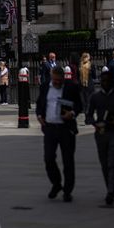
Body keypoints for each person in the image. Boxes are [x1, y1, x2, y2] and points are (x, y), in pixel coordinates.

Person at [37, 65, 82, 202]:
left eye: (59, 80)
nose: (57, 83)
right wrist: (39, 115)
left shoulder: (71, 87)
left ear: (63, 78)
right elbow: (40, 103)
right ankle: (56, 184)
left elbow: (79, 105)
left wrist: (72, 113)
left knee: (68, 160)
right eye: (54, 80)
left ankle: (68, 191)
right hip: (50, 128)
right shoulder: (45, 86)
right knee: (48, 158)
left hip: (66, 128)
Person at [85, 72, 114, 206]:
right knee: (104, 163)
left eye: (108, 81)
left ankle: (110, 190)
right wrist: (95, 123)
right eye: (103, 81)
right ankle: (110, 187)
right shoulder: (95, 97)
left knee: (112, 162)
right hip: (101, 132)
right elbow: (89, 116)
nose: (106, 83)